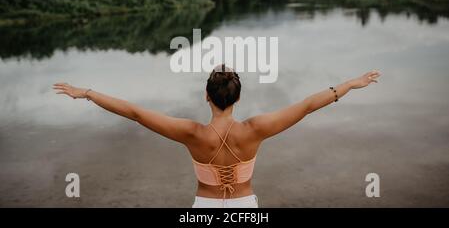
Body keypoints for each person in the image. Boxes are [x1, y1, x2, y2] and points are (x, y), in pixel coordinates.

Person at [53, 64, 380, 208]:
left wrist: (88, 93)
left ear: (207, 96)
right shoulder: (256, 129)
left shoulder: (192, 134)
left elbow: (136, 113)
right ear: (237, 98)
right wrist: (349, 84)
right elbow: (308, 105)